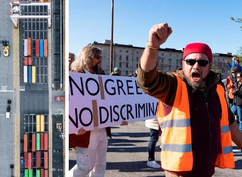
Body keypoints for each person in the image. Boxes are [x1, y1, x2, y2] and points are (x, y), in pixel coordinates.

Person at [136, 22, 242, 177]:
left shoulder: (217, 91)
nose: (196, 66)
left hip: (207, 170)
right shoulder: (174, 86)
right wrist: (152, 47)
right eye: (191, 61)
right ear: (183, 64)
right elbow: (147, 81)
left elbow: (231, 125)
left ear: (209, 65)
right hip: (179, 172)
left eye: (202, 62)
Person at [69, 45, 127, 177]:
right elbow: (70, 104)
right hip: (85, 130)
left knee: (100, 165)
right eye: (98, 57)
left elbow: (108, 101)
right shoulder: (75, 76)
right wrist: (73, 126)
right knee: (85, 167)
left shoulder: (102, 75)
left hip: (102, 128)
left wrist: (119, 116)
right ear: (88, 58)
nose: (100, 60)